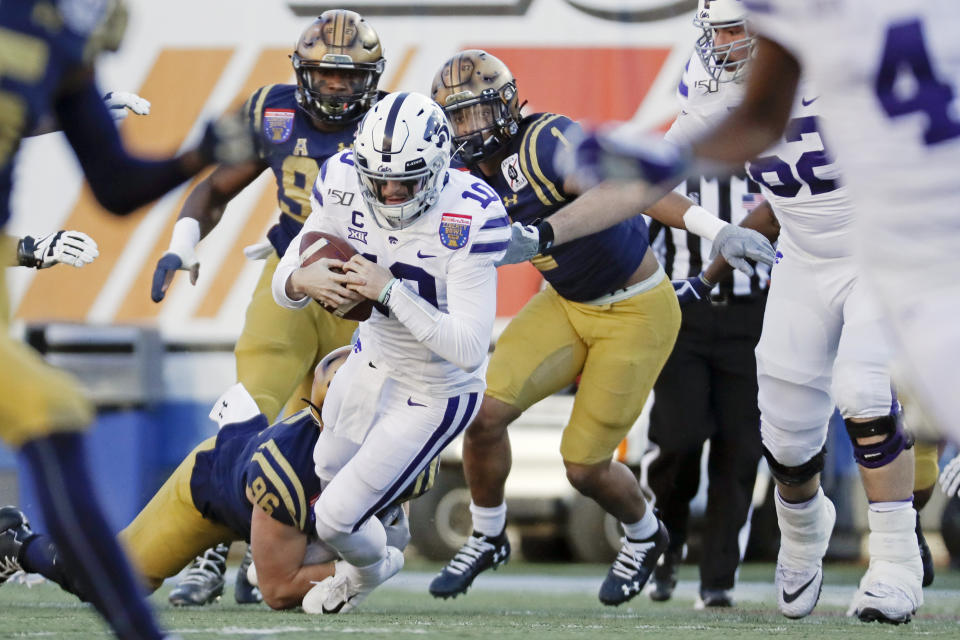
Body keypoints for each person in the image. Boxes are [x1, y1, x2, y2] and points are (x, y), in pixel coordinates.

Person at [425, 50, 774, 607]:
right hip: (566, 302)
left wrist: (715, 230)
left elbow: (633, 185)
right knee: (482, 415)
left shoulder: (546, 142)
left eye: (481, 112)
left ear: (509, 104)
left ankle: (643, 534)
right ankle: (488, 534)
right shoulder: (457, 172)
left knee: (584, 468)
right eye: (460, 117)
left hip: (636, 309)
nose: (473, 128)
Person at [640, 0, 921, 624]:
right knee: (786, 434)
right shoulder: (712, 77)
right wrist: (712, 231)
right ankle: (802, 530)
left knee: (863, 388)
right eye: (718, 33)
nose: (726, 47)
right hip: (802, 254)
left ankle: (896, 561)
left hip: (881, 247)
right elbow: (658, 173)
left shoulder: (854, 59)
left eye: (740, 29)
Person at [0, 1, 252, 638]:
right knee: (51, 406)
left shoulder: (58, 38)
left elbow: (114, 185)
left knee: (53, 408)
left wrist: (197, 157)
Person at [150, 9, 386, 606]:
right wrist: (184, 242)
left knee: (335, 436)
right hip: (291, 275)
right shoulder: (273, 110)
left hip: (366, 291)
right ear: (302, 73)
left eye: (349, 76)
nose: (335, 87)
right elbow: (214, 186)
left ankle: (273, 563)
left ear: (373, 79)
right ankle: (208, 552)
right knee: (248, 410)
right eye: (324, 75)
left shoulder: (393, 125)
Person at [273, 90, 509, 614]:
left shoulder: (469, 213)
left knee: (334, 519)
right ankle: (381, 533)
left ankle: (365, 573)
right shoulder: (342, 180)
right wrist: (299, 279)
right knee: (327, 467)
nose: (391, 193)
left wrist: (388, 291)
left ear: (441, 166)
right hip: (371, 357)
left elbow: (469, 350)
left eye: (407, 179)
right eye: (380, 179)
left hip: (437, 389)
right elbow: (282, 282)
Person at [0, 347, 433, 611]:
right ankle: (18, 543)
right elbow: (278, 591)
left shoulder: (410, 442)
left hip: (274, 503)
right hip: (211, 488)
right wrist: (359, 571)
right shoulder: (289, 472)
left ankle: (253, 543)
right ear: (327, 420)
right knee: (115, 583)